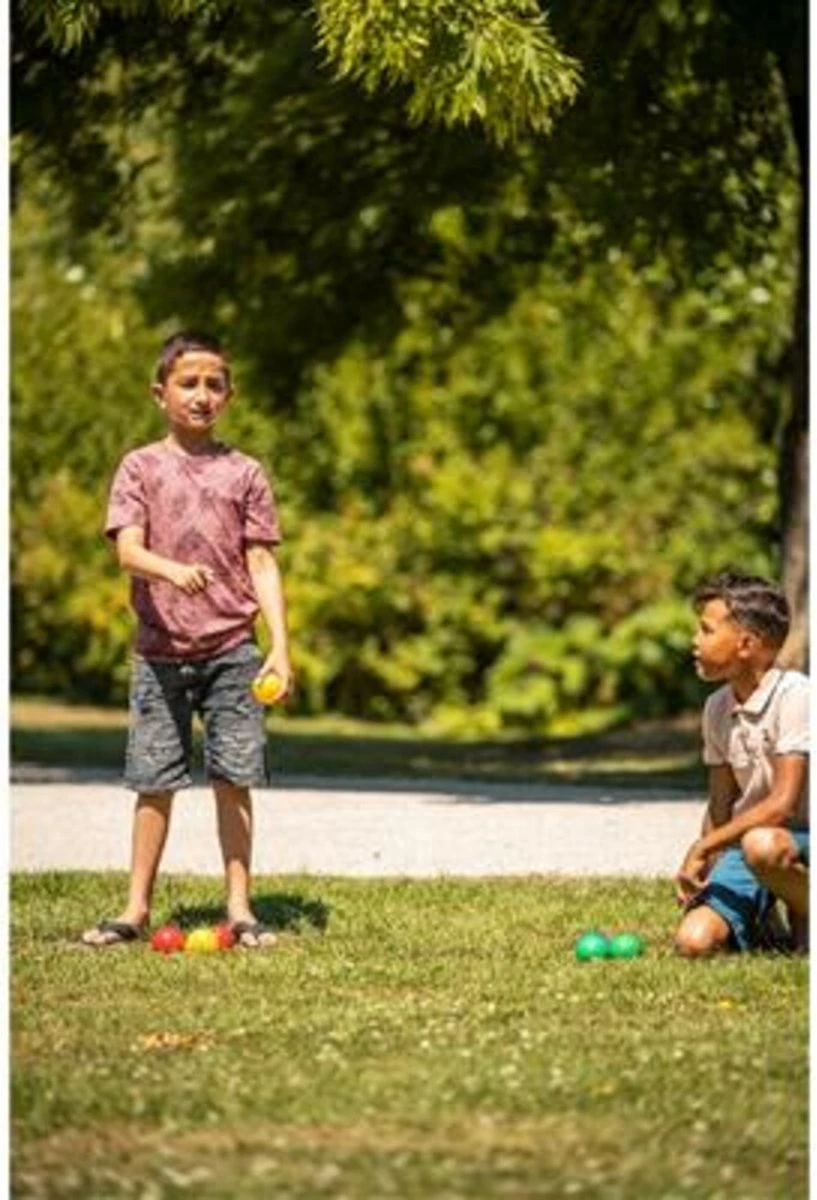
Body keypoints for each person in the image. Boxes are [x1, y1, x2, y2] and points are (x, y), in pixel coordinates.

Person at [82, 331, 293, 949]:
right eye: (188, 383)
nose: (202, 395)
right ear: (160, 393)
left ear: (229, 394)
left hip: (233, 650)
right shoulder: (140, 467)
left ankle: (241, 908)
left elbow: (262, 563)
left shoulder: (245, 473)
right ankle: (134, 908)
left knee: (235, 776)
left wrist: (279, 644)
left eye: (214, 384)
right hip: (160, 653)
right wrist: (172, 570)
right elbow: (127, 550)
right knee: (155, 779)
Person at [675, 572, 809, 956]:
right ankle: (764, 917)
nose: (695, 641)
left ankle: (805, 915)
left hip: (796, 840)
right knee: (694, 943)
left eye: (706, 631)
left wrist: (703, 846)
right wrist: (706, 875)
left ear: (746, 644)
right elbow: (720, 805)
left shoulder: (797, 695)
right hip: (748, 848)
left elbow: (782, 804)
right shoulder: (717, 707)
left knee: (763, 844)